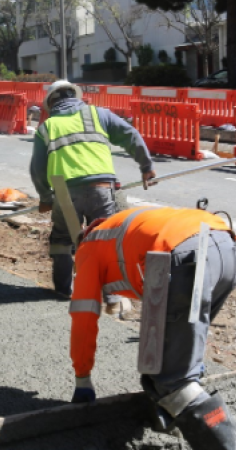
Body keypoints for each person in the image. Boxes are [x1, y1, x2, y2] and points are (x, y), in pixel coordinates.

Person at [69, 206, 236, 450]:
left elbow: (84, 318)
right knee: (178, 357)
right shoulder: (120, 227)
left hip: (184, 258)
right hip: (226, 248)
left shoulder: (89, 250)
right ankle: (172, 416)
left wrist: (82, 378)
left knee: (172, 378)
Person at [29, 80, 156, 298]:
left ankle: (62, 291)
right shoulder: (99, 115)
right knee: (105, 242)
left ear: (50, 105)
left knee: (62, 241)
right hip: (102, 187)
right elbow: (130, 135)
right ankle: (112, 297)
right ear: (76, 97)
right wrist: (146, 166)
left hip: (65, 191)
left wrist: (45, 198)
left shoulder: (46, 128)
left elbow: (37, 170)